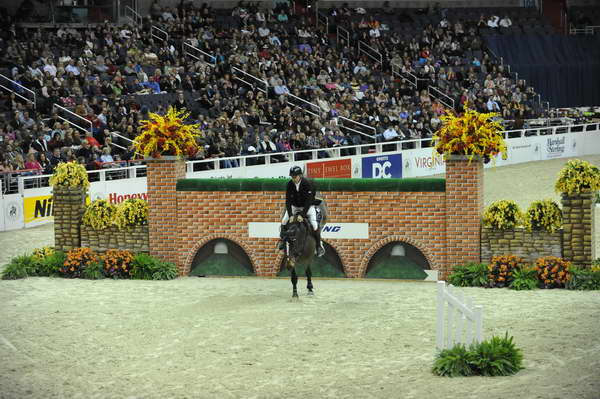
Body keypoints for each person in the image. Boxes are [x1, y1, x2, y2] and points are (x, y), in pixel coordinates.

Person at [277, 166, 324, 257]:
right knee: (283, 221)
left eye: (295, 177)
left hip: (307, 207)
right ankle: (282, 241)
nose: (293, 179)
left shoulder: (307, 184)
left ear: (300, 176)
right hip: (294, 206)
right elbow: (288, 201)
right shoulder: (290, 184)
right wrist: (290, 214)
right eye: (292, 177)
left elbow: (309, 200)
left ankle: (318, 246)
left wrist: (302, 215)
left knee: (314, 225)